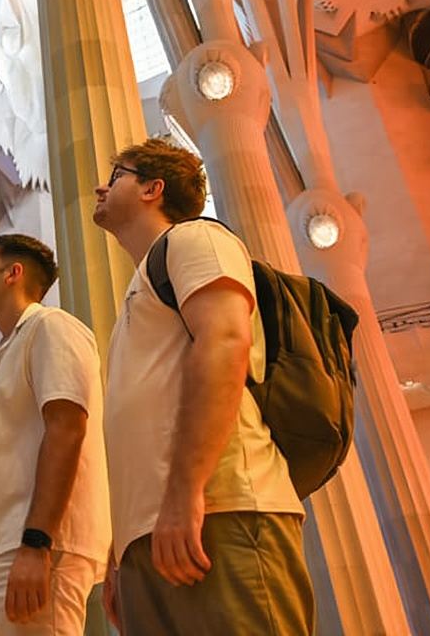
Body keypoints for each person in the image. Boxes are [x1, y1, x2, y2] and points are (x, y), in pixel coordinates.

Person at [92, 138, 313, 635]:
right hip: (156, 530)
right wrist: (122, 549)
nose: (99, 187)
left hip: (219, 509)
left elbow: (224, 342)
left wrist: (186, 491)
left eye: (117, 174)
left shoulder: (194, 240)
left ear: (153, 188)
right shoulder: (140, 287)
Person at [0, 234, 111, 635]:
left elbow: (66, 428)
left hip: (29, 546)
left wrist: (37, 542)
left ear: (14, 273)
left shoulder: (52, 327)